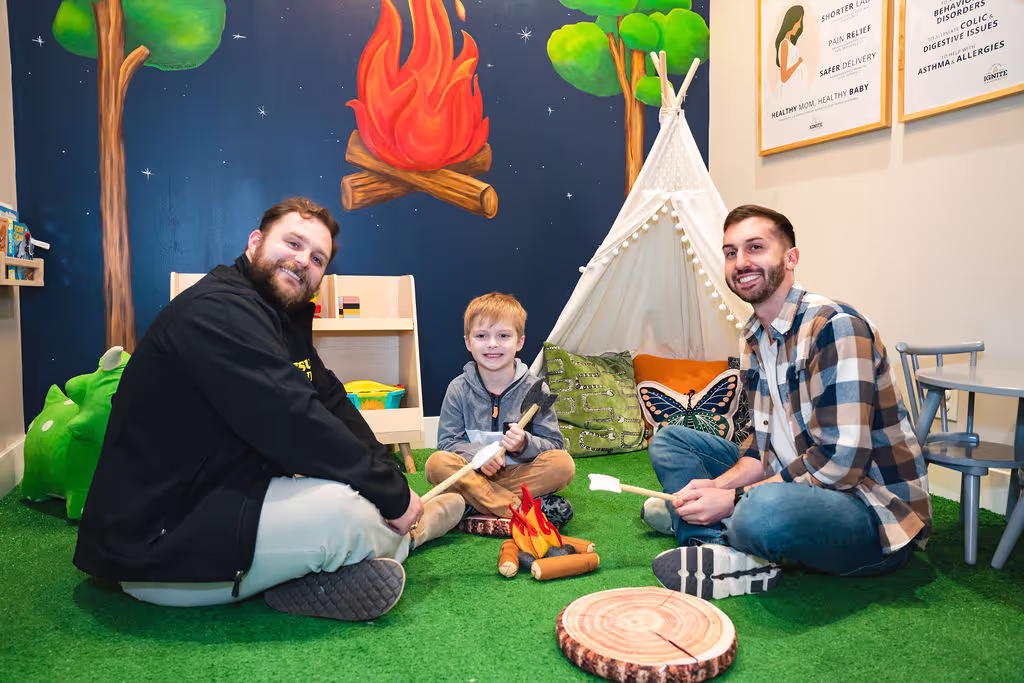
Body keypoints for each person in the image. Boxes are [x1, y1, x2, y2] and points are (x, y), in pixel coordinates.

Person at [74, 197, 465, 620]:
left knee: (357, 489)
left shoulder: (277, 316)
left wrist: (386, 476)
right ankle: (413, 535)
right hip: (159, 546)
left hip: (217, 494)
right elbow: (294, 419)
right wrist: (393, 499)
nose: (302, 262)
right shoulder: (218, 311)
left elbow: (331, 402)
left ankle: (307, 576)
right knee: (347, 510)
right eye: (293, 244)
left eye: (317, 258)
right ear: (255, 242)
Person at [645, 204, 931, 600]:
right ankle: (713, 544)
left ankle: (712, 528)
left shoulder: (836, 326)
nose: (741, 262)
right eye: (731, 252)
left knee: (761, 512)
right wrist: (714, 487)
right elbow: (757, 452)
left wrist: (732, 500)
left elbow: (840, 465)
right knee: (670, 441)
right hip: (788, 479)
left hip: (870, 510)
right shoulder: (752, 337)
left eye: (755, 247)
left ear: (790, 258)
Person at [425, 293, 575, 533]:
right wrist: (481, 455)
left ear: (519, 342)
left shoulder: (537, 389)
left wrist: (525, 444)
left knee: (563, 465)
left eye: (503, 336)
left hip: (519, 475)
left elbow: (554, 446)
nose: (492, 344)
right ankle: (520, 511)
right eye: (482, 336)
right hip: (472, 475)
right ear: (468, 342)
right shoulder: (458, 389)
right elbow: (446, 443)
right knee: (436, 464)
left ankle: (473, 506)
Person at [774, 5, 808, 100]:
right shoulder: (784, 44)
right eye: (798, 22)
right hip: (788, 92)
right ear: (792, 21)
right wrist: (798, 63)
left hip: (793, 89)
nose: (799, 26)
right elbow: (784, 77)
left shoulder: (790, 45)